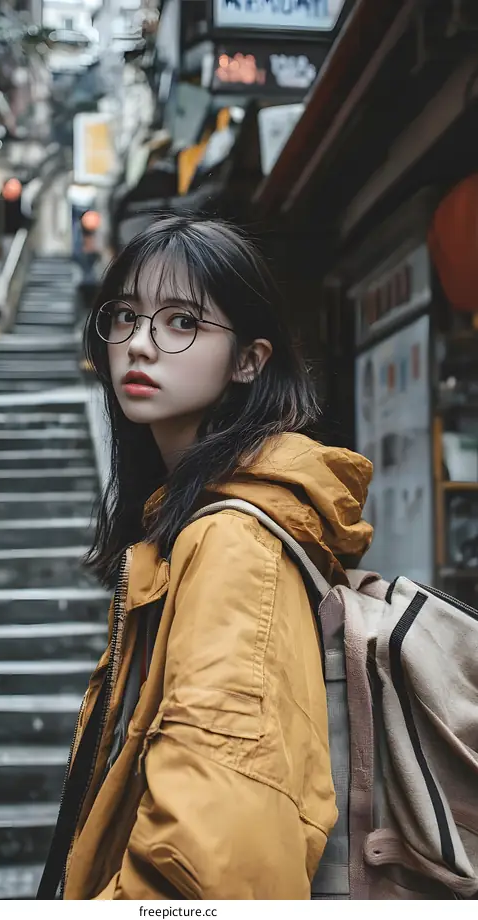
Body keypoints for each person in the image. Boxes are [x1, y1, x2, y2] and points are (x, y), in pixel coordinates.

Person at [37, 216, 373, 900]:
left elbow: (208, 869)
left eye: (182, 321)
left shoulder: (231, 543)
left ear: (250, 360)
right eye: (125, 315)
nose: (139, 344)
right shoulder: (189, 520)